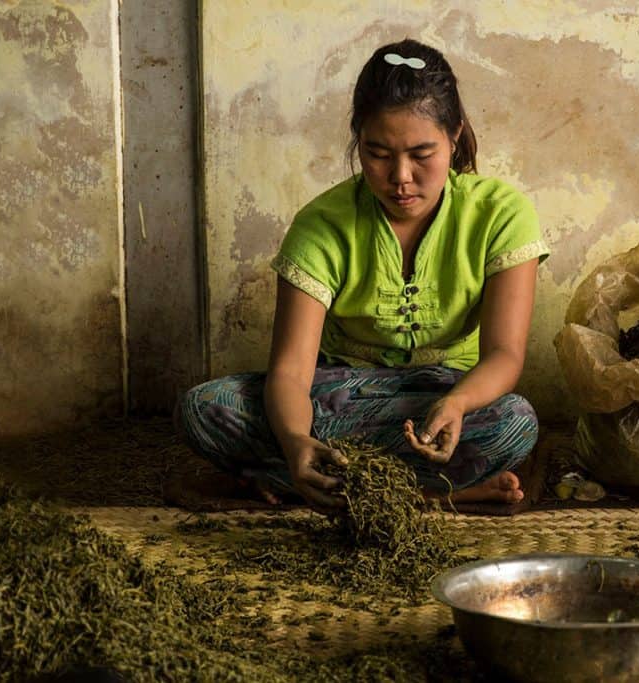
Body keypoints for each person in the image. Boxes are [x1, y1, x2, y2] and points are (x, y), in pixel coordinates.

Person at [177, 38, 549, 511]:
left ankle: (309, 485)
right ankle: (430, 491)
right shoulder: (322, 224)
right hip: (338, 395)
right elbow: (291, 371)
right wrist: (294, 441)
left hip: (445, 396)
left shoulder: (501, 214)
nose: (400, 177)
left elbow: (504, 355)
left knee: (515, 422)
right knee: (204, 408)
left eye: (421, 153)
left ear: (454, 135)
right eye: (378, 153)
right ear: (357, 139)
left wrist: (456, 405)